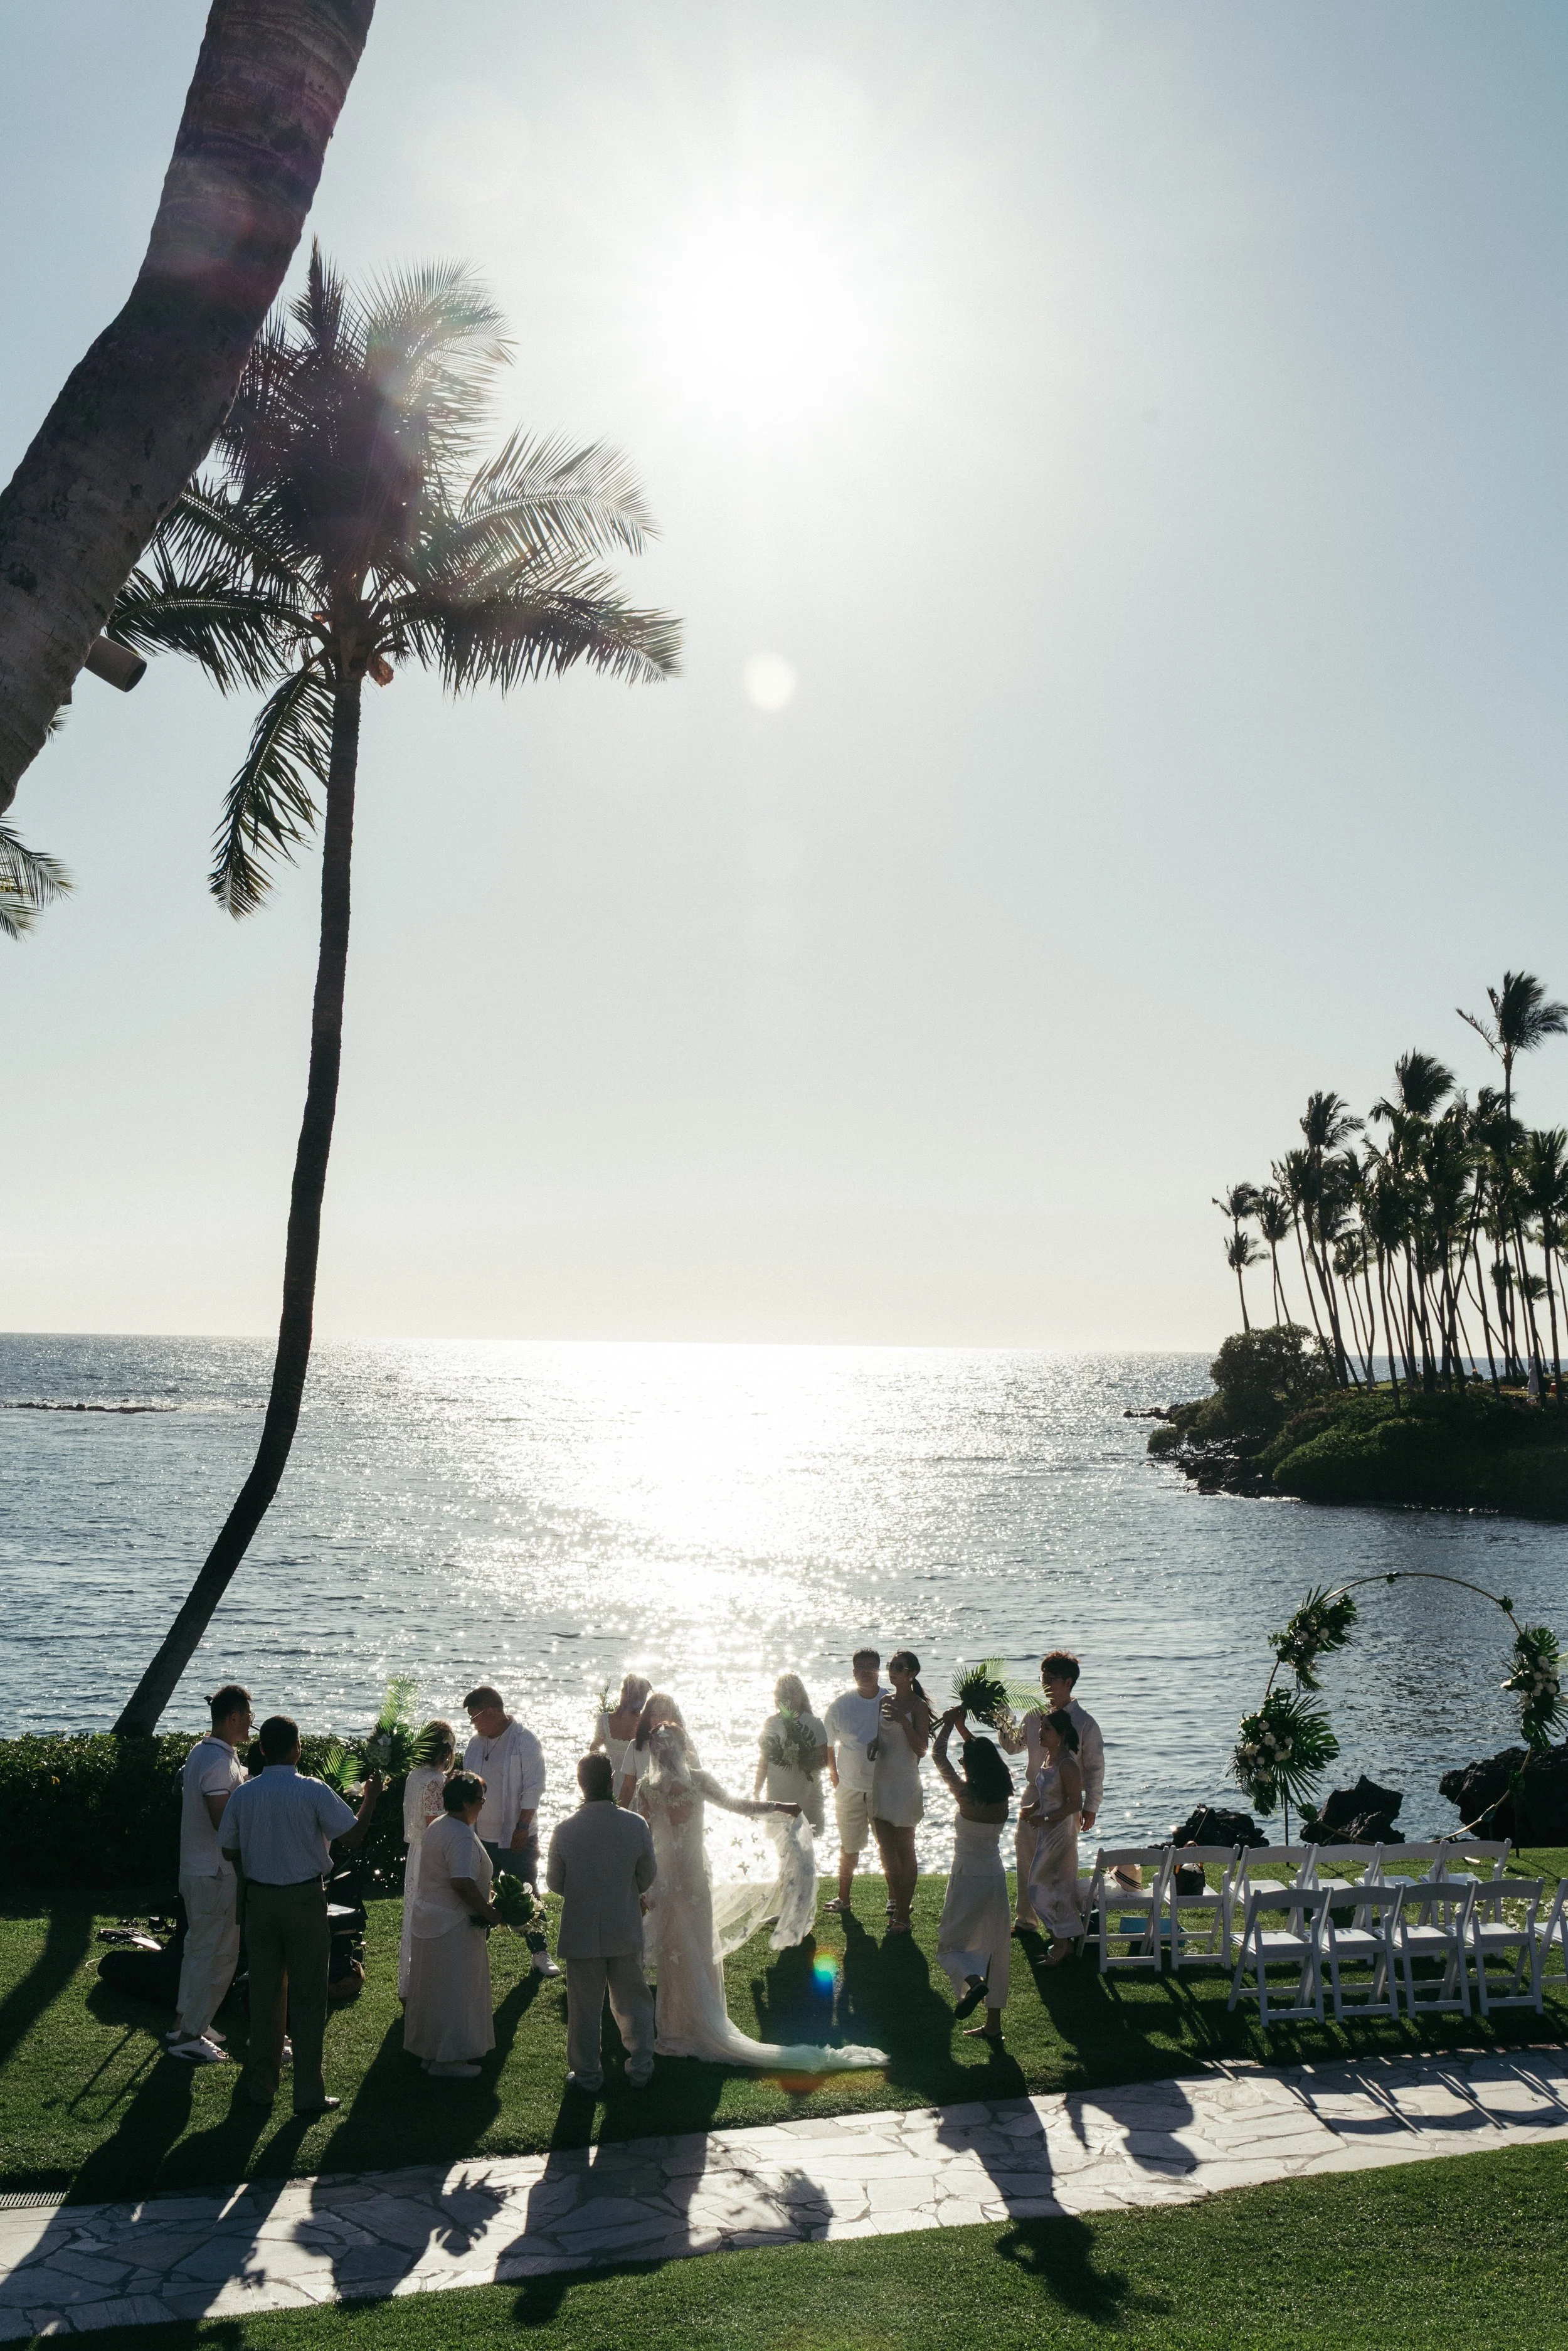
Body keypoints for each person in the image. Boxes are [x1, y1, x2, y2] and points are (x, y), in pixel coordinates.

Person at [632, 1693, 885, 2072]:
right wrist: (780, 1807)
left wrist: (639, 1883)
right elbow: (740, 1806)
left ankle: (674, 2031)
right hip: (694, 1881)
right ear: (683, 1748)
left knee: (674, 1956)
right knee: (697, 1951)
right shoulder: (698, 1781)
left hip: (665, 1883)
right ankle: (697, 2026)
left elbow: (638, 1836)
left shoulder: (645, 1790)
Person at [221, 1715, 382, 2113]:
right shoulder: (311, 1790)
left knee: (264, 1994)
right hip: (304, 1899)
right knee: (309, 1997)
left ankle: (262, 2087)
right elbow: (353, 1835)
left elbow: (227, 1848)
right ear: (297, 1749)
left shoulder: (245, 1793)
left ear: (262, 1750)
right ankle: (307, 2093)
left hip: (259, 1901)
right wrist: (372, 1797)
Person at [547, 1752, 658, 2094]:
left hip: (582, 1929)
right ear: (611, 1779)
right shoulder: (634, 1824)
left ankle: (587, 2076)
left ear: (581, 1783)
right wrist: (624, 1892)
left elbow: (554, 1882)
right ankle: (641, 2067)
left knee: (583, 2008)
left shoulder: (565, 1830)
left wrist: (583, 1894)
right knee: (634, 2001)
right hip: (623, 1924)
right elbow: (647, 1875)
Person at [166, 1684, 252, 2063]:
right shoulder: (218, 1762)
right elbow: (224, 1822)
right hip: (214, 1872)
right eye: (248, 1717)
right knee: (217, 1952)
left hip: (199, 1869)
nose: (251, 1724)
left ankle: (189, 2022)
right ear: (233, 1718)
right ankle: (189, 2033)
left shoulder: (205, 1753)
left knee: (201, 1949)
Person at [403, 1771, 500, 2078]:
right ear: (465, 1802)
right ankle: (450, 2060)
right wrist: (489, 1912)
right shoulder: (459, 1834)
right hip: (453, 1922)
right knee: (456, 1990)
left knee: (433, 1988)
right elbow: (461, 1881)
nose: (483, 1804)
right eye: (480, 1799)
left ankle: (432, 2053)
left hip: (430, 1916)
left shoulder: (440, 1826)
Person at [1000, 1650, 1105, 1932]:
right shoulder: (1035, 1714)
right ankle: (1026, 1919)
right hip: (1035, 1792)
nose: (1045, 1682)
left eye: (1051, 1678)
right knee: (1026, 1856)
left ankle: (1062, 1926)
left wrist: (1091, 1806)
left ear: (1068, 1682)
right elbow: (1014, 1746)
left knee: (1061, 1866)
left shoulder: (1085, 1722)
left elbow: (1095, 1768)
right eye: (1043, 1677)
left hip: (1066, 1800)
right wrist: (1000, 1713)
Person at [463, 1684, 559, 1978]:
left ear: (491, 1711)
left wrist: (522, 1827)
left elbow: (534, 1788)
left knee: (528, 1890)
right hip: (480, 1836)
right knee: (478, 1892)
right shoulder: (476, 1743)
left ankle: (540, 1953)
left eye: (475, 1716)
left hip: (516, 1835)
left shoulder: (525, 1741)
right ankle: (472, 1951)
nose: (473, 1723)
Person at [931, 1708, 1014, 2042]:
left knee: (950, 1946)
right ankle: (993, 2025)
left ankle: (972, 1981)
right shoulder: (1003, 1794)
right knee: (997, 1948)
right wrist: (966, 1731)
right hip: (994, 1876)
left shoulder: (966, 1796)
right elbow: (984, 1757)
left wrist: (950, 1723)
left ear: (970, 1768)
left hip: (967, 1876)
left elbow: (938, 1755)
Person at [751, 1673, 829, 1949]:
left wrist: (801, 1758)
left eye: (791, 1692)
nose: (786, 1698)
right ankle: (786, 1909)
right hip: (777, 1793)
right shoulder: (771, 1723)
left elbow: (823, 1760)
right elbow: (763, 1759)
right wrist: (757, 1789)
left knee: (802, 1853)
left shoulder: (814, 1724)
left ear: (801, 1695)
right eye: (781, 1693)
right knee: (783, 1853)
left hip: (805, 1794)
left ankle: (802, 1913)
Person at [821, 1650, 889, 1914]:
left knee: (887, 1846)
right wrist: (835, 1780)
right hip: (848, 1788)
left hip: (883, 1788)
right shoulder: (840, 1706)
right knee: (849, 1846)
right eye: (861, 1668)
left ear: (879, 1670)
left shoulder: (889, 1701)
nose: (866, 1672)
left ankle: (894, 1899)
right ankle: (844, 1898)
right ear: (853, 1672)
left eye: (871, 1668)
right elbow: (828, 1747)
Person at [871, 1649, 931, 1935]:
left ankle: (904, 1916)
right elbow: (885, 1738)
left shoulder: (918, 1707)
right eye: (891, 1666)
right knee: (886, 1849)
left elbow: (921, 1750)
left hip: (905, 1784)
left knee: (905, 1849)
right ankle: (898, 1901)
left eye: (899, 1667)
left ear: (912, 1674)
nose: (892, 1670)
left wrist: (904, 1721)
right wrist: (875, 1744)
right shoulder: (884, 1701)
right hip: (882, 1781)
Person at [398, 1721, 456, 2001]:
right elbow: (435, 1826)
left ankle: (411, 1983)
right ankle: (427, 1983)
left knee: (415, 1913)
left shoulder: (414, 1775)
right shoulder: (435, 1781)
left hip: (416, 1853)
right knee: (431, 1914)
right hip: (431, 1854)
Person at [1024, 1708, 1086, 1964]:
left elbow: (1075, 1804)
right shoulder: (1048, 1758)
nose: (1040, 1732)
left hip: (1060, 1833)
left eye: (1046, 1728)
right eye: (1041, 1726)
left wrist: (1045, 1818)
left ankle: (1061, 1944)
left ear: (1060, 1735)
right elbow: (1048, 1792)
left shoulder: (1067, 1764)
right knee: (1050, 1887)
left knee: (1039, 1887)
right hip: (1046, 1830)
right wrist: (1033, 1807)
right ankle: (1062, 1943)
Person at [591, 1674, 654, 1807]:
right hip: (635, 1779)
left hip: (608, 1779)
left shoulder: (604, 1720)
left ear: (622, 1694)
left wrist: (597, 1776)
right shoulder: (645, 1724)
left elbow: (593, 1750)